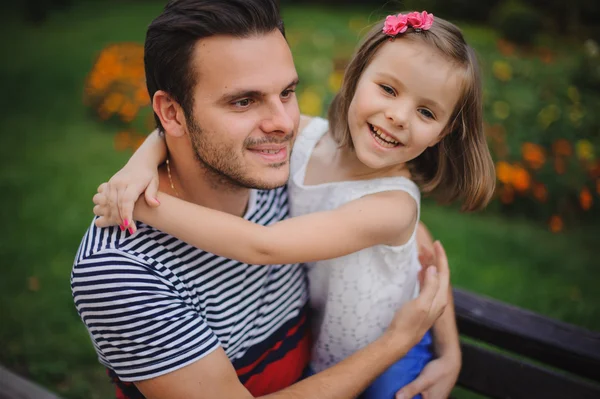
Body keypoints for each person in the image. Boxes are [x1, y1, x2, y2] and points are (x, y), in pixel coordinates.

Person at [92, 7, 495, 399]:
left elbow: (263, 246)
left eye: (426, 112)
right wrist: (138, 166)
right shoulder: (303, 139)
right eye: (388, 89)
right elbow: (182, 126)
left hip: (395, 358)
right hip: (331, 354)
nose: (399, 116)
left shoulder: (394, 205)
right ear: (355, 78)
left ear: (444, 131)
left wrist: (144, 204)